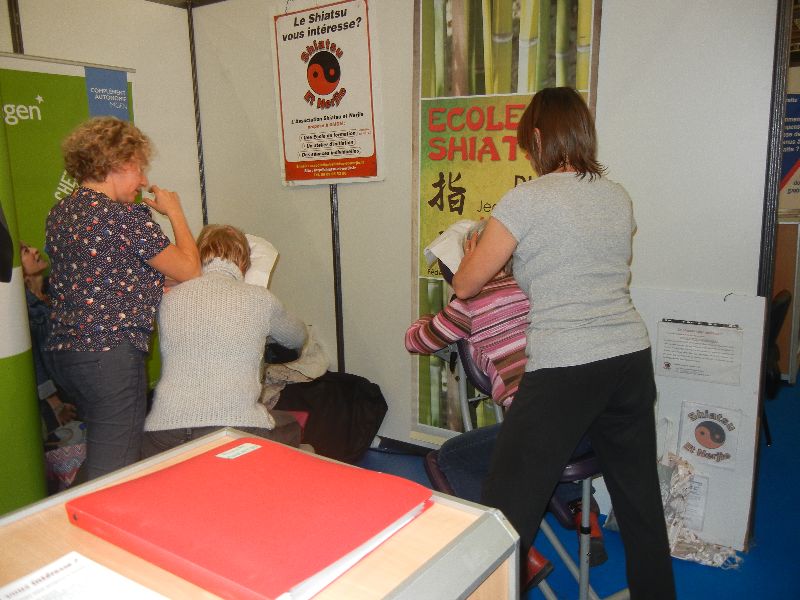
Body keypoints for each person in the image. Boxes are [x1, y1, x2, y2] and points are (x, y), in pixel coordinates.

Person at [452, 87, 675, 599]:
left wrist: (477, 253)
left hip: (567, 365)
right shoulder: (616, 196)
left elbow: (465, 284)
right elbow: (576, 266)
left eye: (526, 148)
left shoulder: (526, 199)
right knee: (640, 502)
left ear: (537, 137)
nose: (528, 158)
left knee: (508, 505)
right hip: (629, 359)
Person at [405, 220, 606, 590]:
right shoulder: (542, 289)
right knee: (537, 445)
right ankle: (586, 515)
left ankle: (513, 554)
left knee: (448, 459)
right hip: (600, 425)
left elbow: (416, 341)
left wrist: (428, 319)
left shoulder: (468, 304)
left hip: (545, 429)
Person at [44, 116, 201, 480]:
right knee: (116, 470)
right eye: (140, 169)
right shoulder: (124, 217)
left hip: (67, 356)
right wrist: (175, 212)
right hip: (109, 355)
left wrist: (151, 284)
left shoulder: (61, 214)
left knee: (104, 451)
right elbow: (190, 269)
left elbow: (101, 274)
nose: (143, 181)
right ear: (121, 163)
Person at [142, 224, 307, 456]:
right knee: (290, 425)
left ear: (198, 254)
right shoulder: (260, 299)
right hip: (235, 428)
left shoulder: (169, 298)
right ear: (243, 262)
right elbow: (298, 337)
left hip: (164, 434)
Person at [20, 241, 77, 438]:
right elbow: (33, 361)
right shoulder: (25, 311)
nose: (35, 250)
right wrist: (55, 403)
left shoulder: (54, 290)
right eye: (25, 251)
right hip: (61, 399)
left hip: (79, 384)